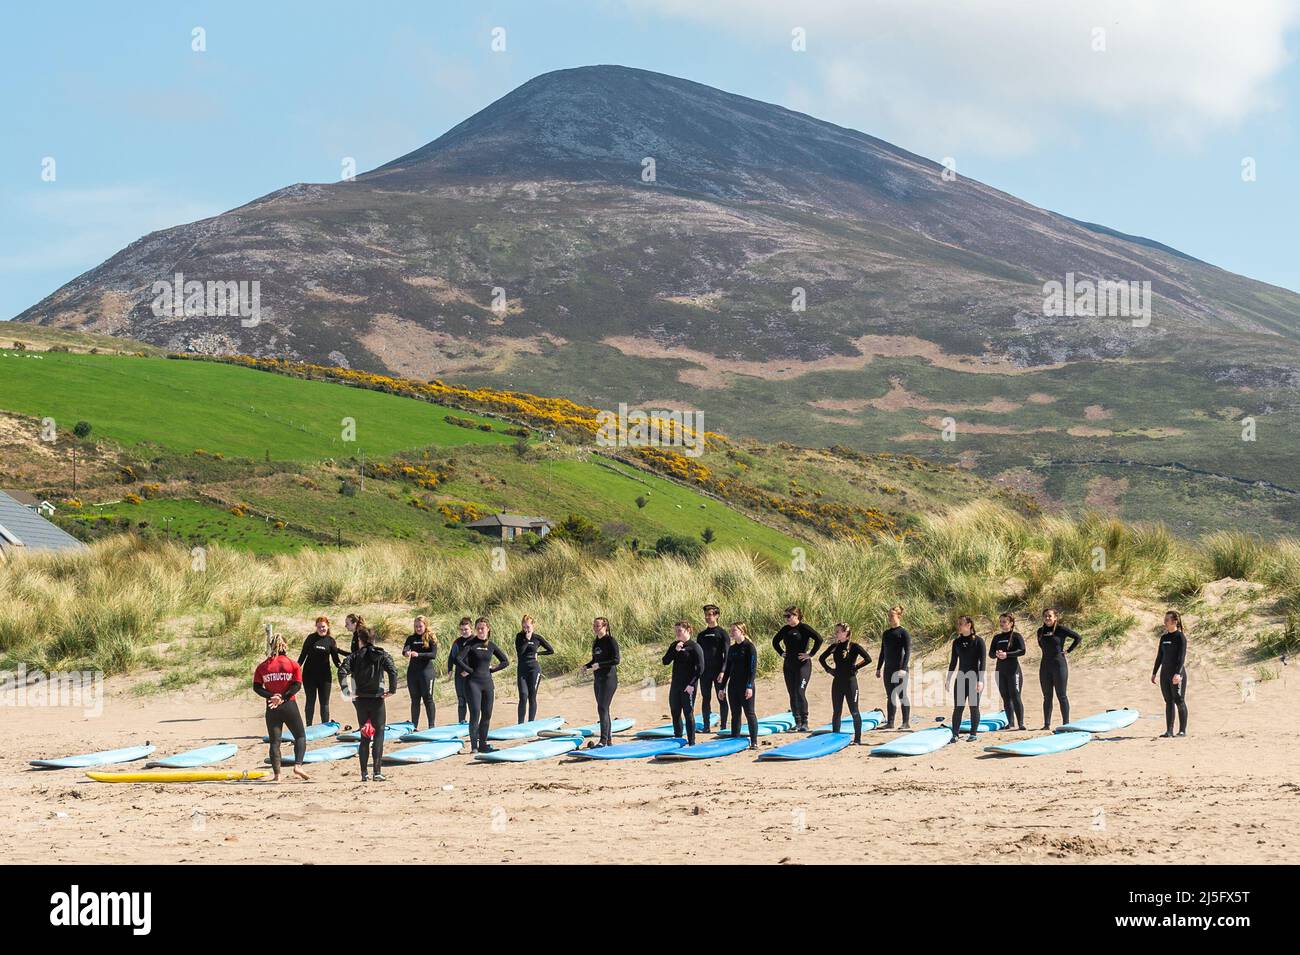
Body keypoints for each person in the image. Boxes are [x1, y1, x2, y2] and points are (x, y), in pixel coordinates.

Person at [338, 626, 398, 781]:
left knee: (365, 735)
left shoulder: (355, 656)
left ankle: (364, 773)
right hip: (377, 698)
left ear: (360, 641)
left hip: (361, 699)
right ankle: (376, 772)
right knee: (378, 733)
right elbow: (393, 670)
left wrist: (346, 691)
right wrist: (392, 690)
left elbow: (342, 671)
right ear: (373, 639)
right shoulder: (382, 654)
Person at [254, 634, 309, 782]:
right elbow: (297, 685)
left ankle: (277, 775)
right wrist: (282, 697)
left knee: (274, 741)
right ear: (285, 646)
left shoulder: (263, 666)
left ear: (271, 646)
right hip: (288, 704)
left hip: (271, 706)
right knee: (300, 736)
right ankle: (298, 765)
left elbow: (257, 687)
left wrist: (272, 696)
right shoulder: (292, 664)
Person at [455, 617, 510, 753]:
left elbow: (505, 661)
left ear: (488, 629)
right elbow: (458, 659)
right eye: (478, 628)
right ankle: (474, 746)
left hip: (487, 683)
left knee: (487, 714)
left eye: (482, 628)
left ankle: (483, 744)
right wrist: (470, 671)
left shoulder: (491, 645)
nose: (480, 630)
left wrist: (492, 669)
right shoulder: (471, 644)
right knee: (475, 714)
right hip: (473, 683)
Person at [772, 606, 823, 732]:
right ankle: (797, 722)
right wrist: (781, 652)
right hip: (789, 665)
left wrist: (810, 654)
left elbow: (819, 639)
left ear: (796, 616)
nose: (786, 619)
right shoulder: (785, 629)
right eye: (785, 616)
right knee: (792, 693)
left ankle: (805, 722)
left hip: (803, 665)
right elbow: (775, 641)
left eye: (788, 616)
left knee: (800, 692)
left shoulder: (804, 628)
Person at [818, 623, 872, 743]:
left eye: (838, 631)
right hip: (837, 682)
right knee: (837, 711)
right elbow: (821, 658)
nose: (836, 633)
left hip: (850, 683)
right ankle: (835, 738)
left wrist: (856, 667)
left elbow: (868, 659)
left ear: (846, 633)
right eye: (836, 631)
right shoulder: (834, 647)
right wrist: (829, 670)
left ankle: (857, 739)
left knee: (854, 711)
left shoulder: (854, 646)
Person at [662, 621, 706, 745]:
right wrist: (675, 651)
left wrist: (692, 684)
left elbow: (701, 668)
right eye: (676, 631)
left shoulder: (694, 646)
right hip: (676, 685)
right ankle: (678, 739)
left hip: (689, 686)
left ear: (688, 630)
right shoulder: (674, 645)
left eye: (680, 630)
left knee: (688, 712)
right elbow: (665, 661)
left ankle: (692, 741)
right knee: (675, 712)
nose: (677, 633)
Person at [1036, 608, 1081, 729]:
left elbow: (1077, 638)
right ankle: (1046, 725)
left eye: (1050, 616)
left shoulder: (1061, 629)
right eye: (1045, 616)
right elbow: (1041, 645)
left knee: (1061, 695)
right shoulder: (1040, 631)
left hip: (1059, 665)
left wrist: (1068, 650)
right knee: (1047, 696)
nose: (1047, 618)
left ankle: (1066, 723)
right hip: (1045, 666)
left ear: (1055, 617)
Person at [297, 616, 342, 726]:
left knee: (324, 703)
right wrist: (295, 669)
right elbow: (302, 656)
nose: (321, 629)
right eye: (319, 627)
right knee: (310, 701)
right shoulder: (310, 638)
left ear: (328, 626)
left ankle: (325, 726)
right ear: (316, 627)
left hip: (325, 677)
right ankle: (308, 725)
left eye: (323, 627)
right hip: (309, 676)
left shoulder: (330, 641)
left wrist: (345, 668)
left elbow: (336, 660)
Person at [720, 623, 760, 749]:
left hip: (745, 685)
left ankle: (754, 741)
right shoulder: (732, 649)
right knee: (735, 714)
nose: (731, 632)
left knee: (749, 713)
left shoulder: (749, 647)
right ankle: (734, 740)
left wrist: (749, 686)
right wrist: (722, 687)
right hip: (733, 686)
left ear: (742, 631)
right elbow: (727, 670)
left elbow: (752, 669)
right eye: (730, 630)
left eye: (734, 630)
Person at [583, 617, 621, 747]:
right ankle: (608, 740)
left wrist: (600, 665)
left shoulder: (610, 641)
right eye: (594, 625)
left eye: (598, 625)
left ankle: (603, 740)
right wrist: (586, 666)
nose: (595, 628)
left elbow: (616, 660)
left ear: (605, 627)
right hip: (598, 679)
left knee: (602, 707)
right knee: (603, 710)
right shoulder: (596, 642)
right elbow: (594, 660)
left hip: (609, 679)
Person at [947, 616, 986, 742]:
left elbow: (983, 662)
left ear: (969, 625)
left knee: (974, 706)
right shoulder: (956, 642)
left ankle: (973, 733)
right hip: (961, 678)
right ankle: (955, 734)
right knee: (958, 707)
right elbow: (953, 662)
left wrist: (980, 680)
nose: (958, 626)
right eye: (958, 624)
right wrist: (948, 679)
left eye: (961, 624)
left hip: (974, 678)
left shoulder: (979, 641)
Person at [1151, 610, 1189, 738]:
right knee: (1168, 701)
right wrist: (1154, 673)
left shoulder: (1180, 637)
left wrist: (1178, 674)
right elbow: (1159, 656)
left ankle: (1182, 730)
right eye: (1165, 620)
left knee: (1179, 700)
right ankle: (1169, 731)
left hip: (1177, 674)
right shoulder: (1164, 638)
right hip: (1165, 674)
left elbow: (1181, 657)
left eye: (1167, 620)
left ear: (1175, 621)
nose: (1164, 622)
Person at [989, 613, 1027, 730]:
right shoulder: (996, 638)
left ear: (1011, 623)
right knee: (1005, 697)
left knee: (1015, 696)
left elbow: (1022, 651)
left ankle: (1021, 723)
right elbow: (990, 654)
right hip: (1000, 671)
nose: (1002, 624)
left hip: (1013, 670)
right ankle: (1010, 723)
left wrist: (1007, 654)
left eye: (1004, 621)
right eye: (1000, 621)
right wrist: (996, 654)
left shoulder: (1016, 636)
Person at [876, 605, 912, 728]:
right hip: (888, 669)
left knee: (902, 695)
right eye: (889, 616)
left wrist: (903, 668)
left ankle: (905, 723)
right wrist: (878, 668)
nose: (890, 618)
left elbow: (908, 652)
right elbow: (882, 652)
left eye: (892, 616)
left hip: (900, 669)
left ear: (899, 616)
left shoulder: (904, 633)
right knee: (890, 695)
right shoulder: (886, 634)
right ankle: (890, 723)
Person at [515, 615, 555, 723]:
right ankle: (520, 724)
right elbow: (520, 652)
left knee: (532, 697)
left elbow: (551, 650)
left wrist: (538, 653)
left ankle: (531, 722)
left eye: (528, 626)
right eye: (524, 627)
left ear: (533, 625)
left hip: (534, 670)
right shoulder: (519, 636)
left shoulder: (537, 638)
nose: (526, 629)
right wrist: (527, 640)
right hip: (522, 670)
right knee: (523, 696)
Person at [696, 604, 729, 733]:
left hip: (718, 671)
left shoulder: (722, 633)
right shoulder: (701, 635)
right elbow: (697, 655)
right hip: (705, 672)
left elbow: (727, 654)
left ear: (717, 615)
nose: (707, 617)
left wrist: (723, 671)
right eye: (706, 615)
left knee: (721, 697)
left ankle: (724, 726)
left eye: (710, 614)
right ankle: (706, 726)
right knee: (706, 698)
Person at [402, 615, 438, 729]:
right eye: (416, 626)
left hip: (426, 673)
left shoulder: (431, 638)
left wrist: (418, 654)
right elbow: (405, 649)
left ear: (425, 625)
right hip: (413, 673)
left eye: (420, 626)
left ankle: (431, 726)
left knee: (428, 699)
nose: (418, 628)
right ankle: (414, 726)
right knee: (415, 699)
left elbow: (433, 655)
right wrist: (406, 652)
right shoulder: (411, 638)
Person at [446, 617, 474, 723]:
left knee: (472, 700)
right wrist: (450, 669)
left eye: (466, 629)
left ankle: (473, 722)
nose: (464, 632)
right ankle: (461, 722)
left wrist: (470, 670)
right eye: (461, 629)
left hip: (472, 674)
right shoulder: (457, 642)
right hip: (459, 674)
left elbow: (479, 659)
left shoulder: (475, 641)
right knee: (461, 700)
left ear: (471, 629)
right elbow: (451, 657)